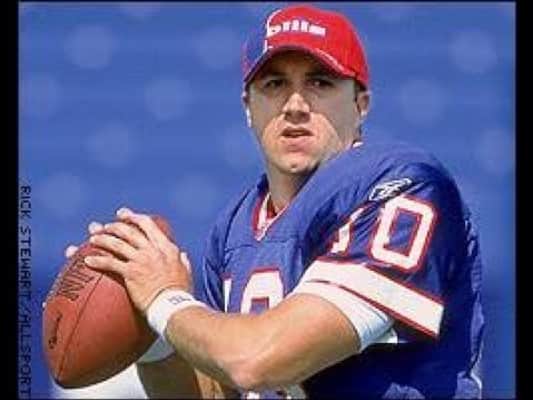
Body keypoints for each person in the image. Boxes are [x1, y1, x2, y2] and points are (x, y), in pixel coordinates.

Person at [65, 4, 484, 399]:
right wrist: (151, 330)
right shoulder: (235, 225)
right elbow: (222, 390)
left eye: (320, 83)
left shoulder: (401, 186)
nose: (295, 105)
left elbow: (256, 362)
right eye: (274, 84)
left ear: (361, 105)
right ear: (248, 107)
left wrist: (164, 299)